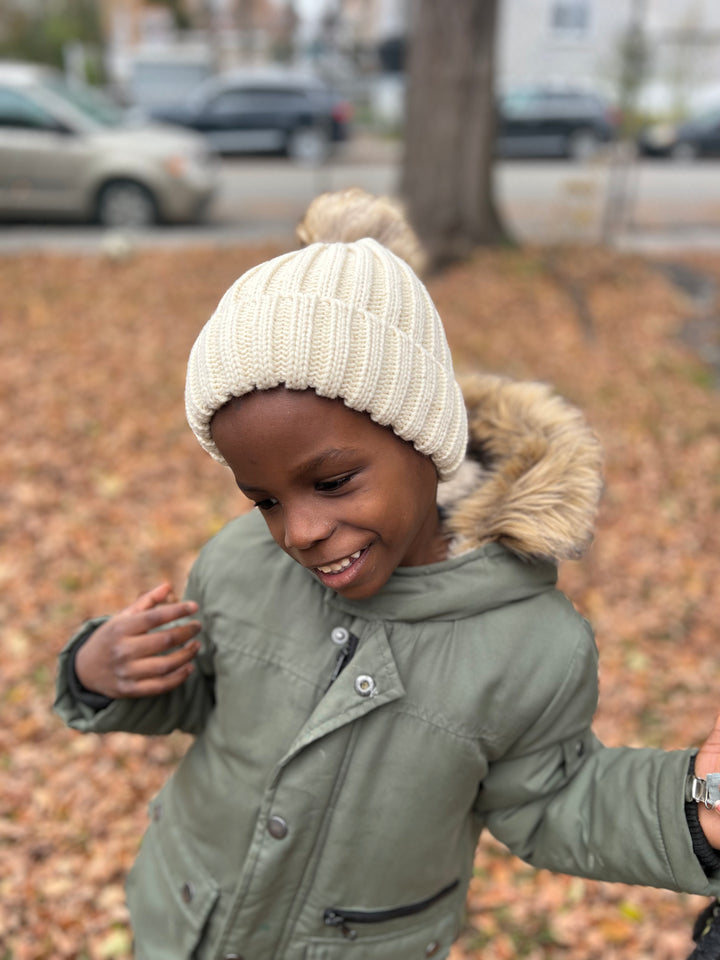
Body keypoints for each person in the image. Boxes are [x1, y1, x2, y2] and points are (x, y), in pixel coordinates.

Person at [55, 189, 720, 960]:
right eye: (264, 498)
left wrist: (690, 805)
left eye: (332, 482)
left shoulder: (531, 645)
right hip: (182, 922)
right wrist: (102, 670)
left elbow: (557, 798)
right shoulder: (240, 563)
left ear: (426, 437)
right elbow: (201, 689)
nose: (298, 531)